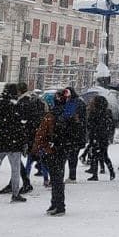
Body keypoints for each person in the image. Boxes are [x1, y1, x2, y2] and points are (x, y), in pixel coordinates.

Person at [33, 88, 81, 216]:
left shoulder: (51, 115)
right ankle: (58, 204)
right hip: (64, 148)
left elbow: (41, 133)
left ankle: (57, 205)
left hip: (51, 148)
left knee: (55, 178)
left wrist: (37, 147)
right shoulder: (70, 114)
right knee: (58, 177)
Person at [15, 83, 45, 193]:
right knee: (21, 160)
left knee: (19, 160)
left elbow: (23, 119)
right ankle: (26, 181)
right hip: (31, 134)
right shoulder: (31, 102)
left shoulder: (23, 103)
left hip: (26, 135)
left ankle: (24, 182)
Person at [86, 96, 116, 181]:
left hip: (96, 136)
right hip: (103, 137)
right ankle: (111, 171)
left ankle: (95, 174)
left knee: (95, 156)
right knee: (104, 155)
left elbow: (90, 125)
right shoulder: (107, 112)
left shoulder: (94, 113)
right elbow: (111, 125)